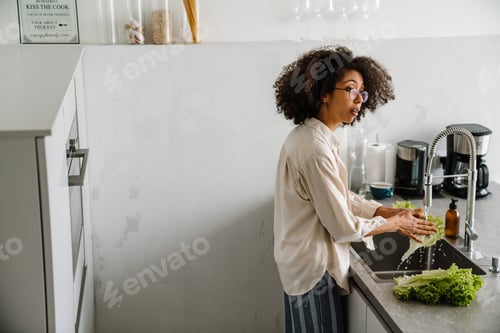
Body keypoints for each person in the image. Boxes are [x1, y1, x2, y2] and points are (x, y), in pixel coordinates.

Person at [272, 46, 438, 333]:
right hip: (315, 272)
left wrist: (384, 210)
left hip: (301, 266)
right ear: (323, 92)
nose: (359, 100)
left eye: (362, 92)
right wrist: (392, 223)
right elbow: (342, 226)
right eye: (351, 90)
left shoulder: (312, 136)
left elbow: (338, 196)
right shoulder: (315, 149)